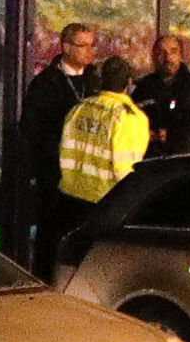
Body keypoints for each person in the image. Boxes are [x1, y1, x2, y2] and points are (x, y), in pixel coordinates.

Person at [51, 56, 150, 271]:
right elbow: (127, 170)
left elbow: (63, 151)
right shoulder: (130, 117)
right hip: (104, 204)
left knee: (68, 271)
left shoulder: (78, 109)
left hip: (69, 200)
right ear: (129, 83)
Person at [19, 22, 96, 234]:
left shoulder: (95, 81)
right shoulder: (45, 83)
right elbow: (30, 128)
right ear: (66, 47)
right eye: (83, 45)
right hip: (55, 176)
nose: (89, 51)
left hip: (88, 178)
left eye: (92, 45)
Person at [130, 33, 190, 151]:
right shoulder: (143, 89)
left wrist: (172, 135)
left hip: (183, 159)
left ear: (181, 56)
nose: (168, 58)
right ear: (153, 57)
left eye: (173, 52)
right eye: (161, 53)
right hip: (150, 158)